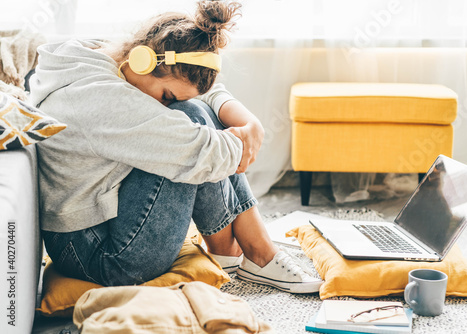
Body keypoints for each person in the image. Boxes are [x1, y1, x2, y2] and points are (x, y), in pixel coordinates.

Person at [30, 0, 323, 294]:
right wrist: (243, 144)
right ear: (143, 61)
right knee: (193, 131)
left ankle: (236, 252)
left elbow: (199, 93)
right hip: (98, 255)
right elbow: (203, 151)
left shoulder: (112, 54)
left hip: (100, 220)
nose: (166, 105)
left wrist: (250, 122)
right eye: (166, 96)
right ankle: (257, 251)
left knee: (191, 113)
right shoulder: (98, 98)